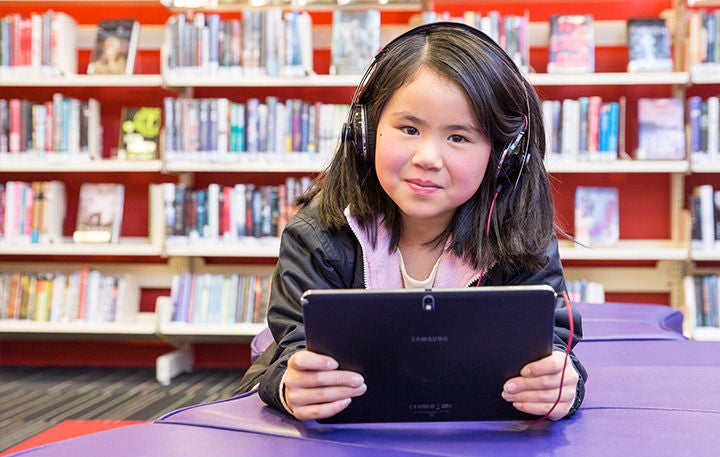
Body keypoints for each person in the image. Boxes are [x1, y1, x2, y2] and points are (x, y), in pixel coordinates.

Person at [236, 21, 587, 422]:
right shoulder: (317, 236)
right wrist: (291, 385)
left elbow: (554, 342)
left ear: (503, 156)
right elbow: (290, 349)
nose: (427, 158)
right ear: (366, 132)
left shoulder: (521, 237)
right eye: (409, 129)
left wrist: (561, 383)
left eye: (458, 137)